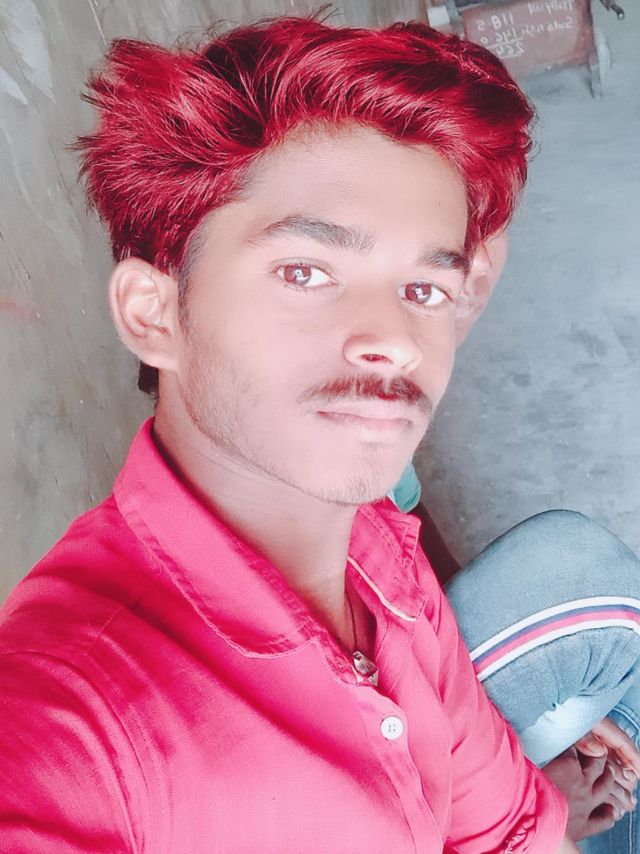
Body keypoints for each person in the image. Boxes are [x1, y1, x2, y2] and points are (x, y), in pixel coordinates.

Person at [0, 16, 635, 852]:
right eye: (306, 272)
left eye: (422, 290)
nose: (395, 341)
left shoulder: (379, 560)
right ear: (153, 315)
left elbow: (514, 833)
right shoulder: (71, 721)